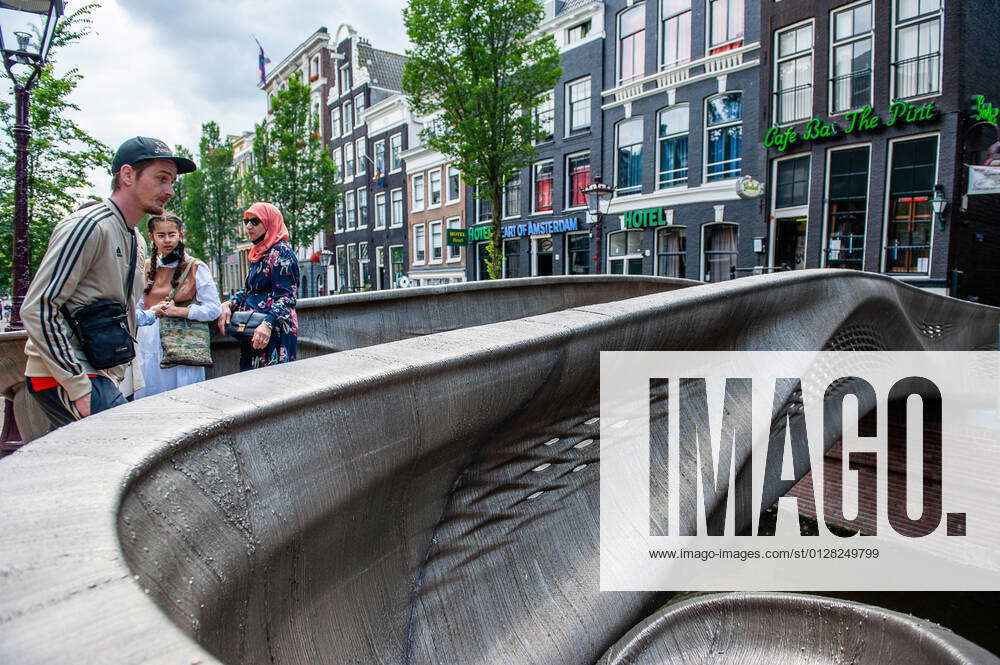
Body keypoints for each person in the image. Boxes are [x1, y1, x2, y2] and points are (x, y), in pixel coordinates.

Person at [21, 136, 196, 430]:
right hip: (69, 373)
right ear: (127, 175)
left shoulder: (136, 238)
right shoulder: (88, 226)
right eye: (162, 179)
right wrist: (77, 385)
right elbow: (37, 307)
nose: (170, 191)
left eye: (172, 182)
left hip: (100, 372)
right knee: (135, 444)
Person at [133, 212, 221, 398]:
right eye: (161, 235)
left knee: (183, 394)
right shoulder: (145, 268)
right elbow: (136, 305)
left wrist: (179, 311)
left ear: (181, 234)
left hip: (182, 342)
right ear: (151, 237)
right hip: (149, 341)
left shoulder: (195, 267)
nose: (167, 240)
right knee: (150, 394)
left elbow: (213, 309)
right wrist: (151, 312)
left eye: (172, 234)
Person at [217, 202, 299, 371]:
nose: (248, 226)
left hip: (273, 331)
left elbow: (287, 296)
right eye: (246, 221)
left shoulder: (281, 252)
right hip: (254, 330)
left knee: (272, 384)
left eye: (255, 221)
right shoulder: (260, 253)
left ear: (269, 222)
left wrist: (267, 325)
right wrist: (229, 304)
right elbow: (249, 291)